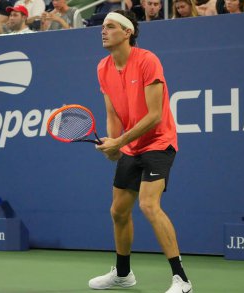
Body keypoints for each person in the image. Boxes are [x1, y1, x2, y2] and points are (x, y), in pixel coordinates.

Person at [88, 10, 193, 293]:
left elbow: (155, 115)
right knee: (118, 211)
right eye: (103, 27)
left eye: (110, 26)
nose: (103, 31)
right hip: (131, 146)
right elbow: (112, 111)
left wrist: (119, 141)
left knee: (148, 204)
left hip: (159, 142)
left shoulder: (147, 60)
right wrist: (113, 144)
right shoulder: (103, 67)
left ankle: (181, 279)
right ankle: (123, 274)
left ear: (127, 32)